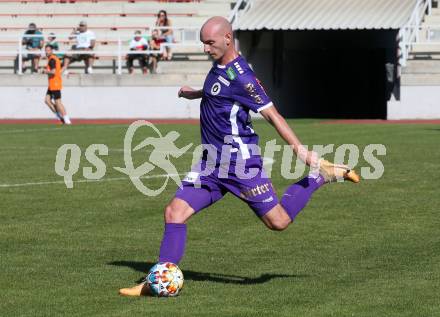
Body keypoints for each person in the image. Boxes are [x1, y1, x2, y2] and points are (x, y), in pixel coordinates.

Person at [118, 16, 360, 297]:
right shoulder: (217, 66)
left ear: (227, 39)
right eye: (203, 43)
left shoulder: (244, 78)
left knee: (278, 222)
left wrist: (300, 150)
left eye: (210, 43)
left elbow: (273, 114)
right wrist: (194, 93)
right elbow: (217, 93)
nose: (206, 49)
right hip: (210, 164)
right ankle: (155, 283)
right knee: (174, 212)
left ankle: (321, 176)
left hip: (240, 165)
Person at [42, 45, 71, 125]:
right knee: (47, 100)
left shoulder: (52, 60)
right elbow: (59, 70)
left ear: (52, 51)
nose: (46, 52)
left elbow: (53, 72)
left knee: (58, 102)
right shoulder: (53, 59)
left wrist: (45, 71)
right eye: (46, 50)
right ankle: (60, 117)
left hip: (55, 83)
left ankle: (66, 119)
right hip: (52, 83)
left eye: (48, 50)